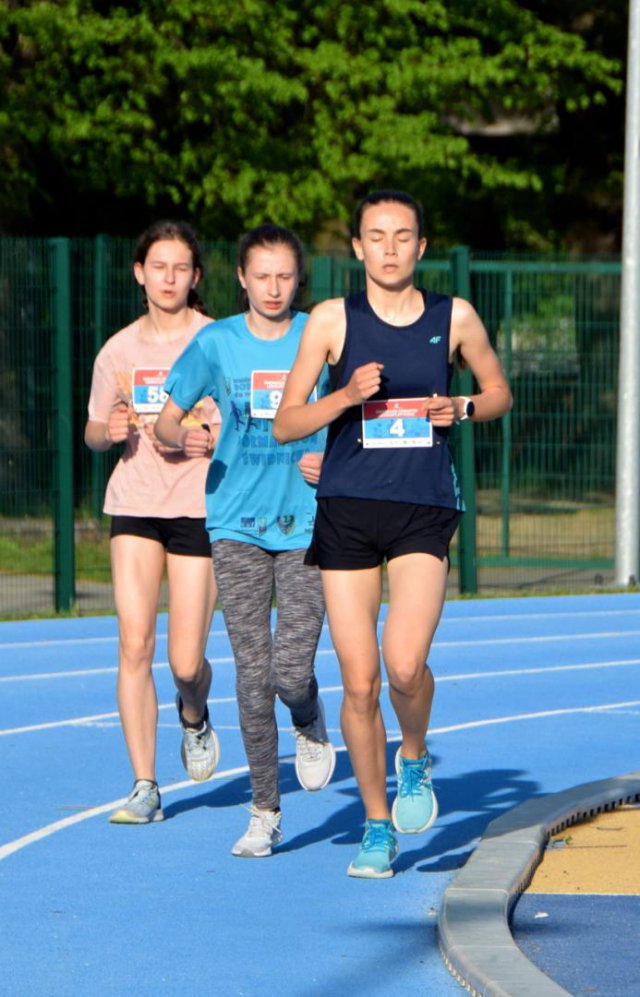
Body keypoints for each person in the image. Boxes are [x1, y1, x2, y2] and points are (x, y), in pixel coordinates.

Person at [273, 190, 512, 878]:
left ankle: (414, 757)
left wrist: (462, 405)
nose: (388, 248)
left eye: (402, 235)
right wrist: (344, 397)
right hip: (347, 505)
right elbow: (287, 422)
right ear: (356, 247)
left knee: (404, 663)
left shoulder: (453, 316)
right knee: (358, 681)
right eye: (375, 236)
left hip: (422, 506)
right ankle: (378, 824)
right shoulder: (329, 319)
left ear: (422, 246)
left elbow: (497, 390)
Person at [155, 223, 336, 858]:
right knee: (251, 675)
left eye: (285, 276)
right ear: (240, 278)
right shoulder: (216, 342)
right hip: (234, 523)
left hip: (309, 520)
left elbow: (362, 410)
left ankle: (310, 716)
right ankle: (265, 810)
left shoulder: (320, 334)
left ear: (298, 280)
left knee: (290, 671)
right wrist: (188, 439)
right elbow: (167, 423)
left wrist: (334, 459)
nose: (273, 288)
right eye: (261, 275)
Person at [85, 220, 221, 825]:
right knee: (133, 642)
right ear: (139, 273)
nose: (168, 278)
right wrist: (104, 432)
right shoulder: (118, 350)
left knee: (185, 662)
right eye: (157, 267)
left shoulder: (219, 341)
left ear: (195, 277)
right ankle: (144, 784)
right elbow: (92, 428)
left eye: (180, 268)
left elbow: (253, 421)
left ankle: (194, 714)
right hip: (136, 502)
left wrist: (213, 436)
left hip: (198, 505)